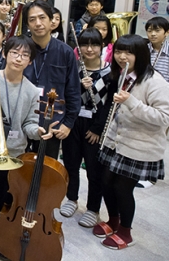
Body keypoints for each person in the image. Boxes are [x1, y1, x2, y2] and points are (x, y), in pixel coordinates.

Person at [94, 34, 169, 250]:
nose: (122, 56)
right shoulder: (123, 75)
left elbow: (165, 118)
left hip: (139, 145)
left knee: (122, 188)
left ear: (141, 54)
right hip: (116, 142)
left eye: (128, 52)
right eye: (118, 51)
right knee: (106, 183)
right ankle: (113, 221)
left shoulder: (156, 82)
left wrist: (132, 102)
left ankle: (126, 233)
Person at [60, 28, 111, 228]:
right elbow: (68, 96)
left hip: (94, 125)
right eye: (84, 45)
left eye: (94, 45)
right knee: (71, 164)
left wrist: (98, 128)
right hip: (74, 122)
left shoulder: (109, 71)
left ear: (102, 46)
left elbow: (109, 106)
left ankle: (93, 208)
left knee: (93, 169)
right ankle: (71, 199)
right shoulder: (75, 69)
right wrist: (79, 85)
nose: (89, 49)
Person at [0, 36, 41, 225]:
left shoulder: (33, 91)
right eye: (14, 53)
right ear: (4, 54)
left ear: (30, 61)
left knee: (6, 196)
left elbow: (29, 124)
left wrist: (39, 132)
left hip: (15, 153)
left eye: (24, 55)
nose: (19, 58)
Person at [23, 0, 81, 159]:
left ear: (52, 22)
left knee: (45, 173)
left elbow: (73, 91)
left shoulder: (66, 52)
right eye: (32, 19)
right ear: (27, 24)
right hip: (22, 123)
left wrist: (68, 123)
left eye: (42, 18)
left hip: (52, 124)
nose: (38, 23)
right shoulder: (21, 50)